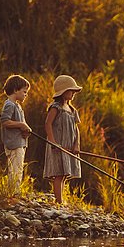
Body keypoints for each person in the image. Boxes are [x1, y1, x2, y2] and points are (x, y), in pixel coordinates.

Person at [43, 74, 83, 204]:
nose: (73, 94)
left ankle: (61, 199)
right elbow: (48, 124)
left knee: (65, 173)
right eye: (71, 91)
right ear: (63, 91)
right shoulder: (56, 107)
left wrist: (77, 145)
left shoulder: (72, 110)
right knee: (59, 173)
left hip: (69, 146)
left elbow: (76, 129)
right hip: (58, 146)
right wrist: (53, 142)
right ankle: (59, 201)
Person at [0, 75, 32, 195]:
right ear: (15, 90)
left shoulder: (17, 106)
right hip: (14, 144)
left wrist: (24, 130)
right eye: (24, 92)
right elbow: (5, 121)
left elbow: (19, 124)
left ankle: (13, 192)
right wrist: (21, 125)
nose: (25, 94)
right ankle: (13, 193)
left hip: (19, 142)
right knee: (15, 169)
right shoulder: (9, 104)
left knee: (17, 168)